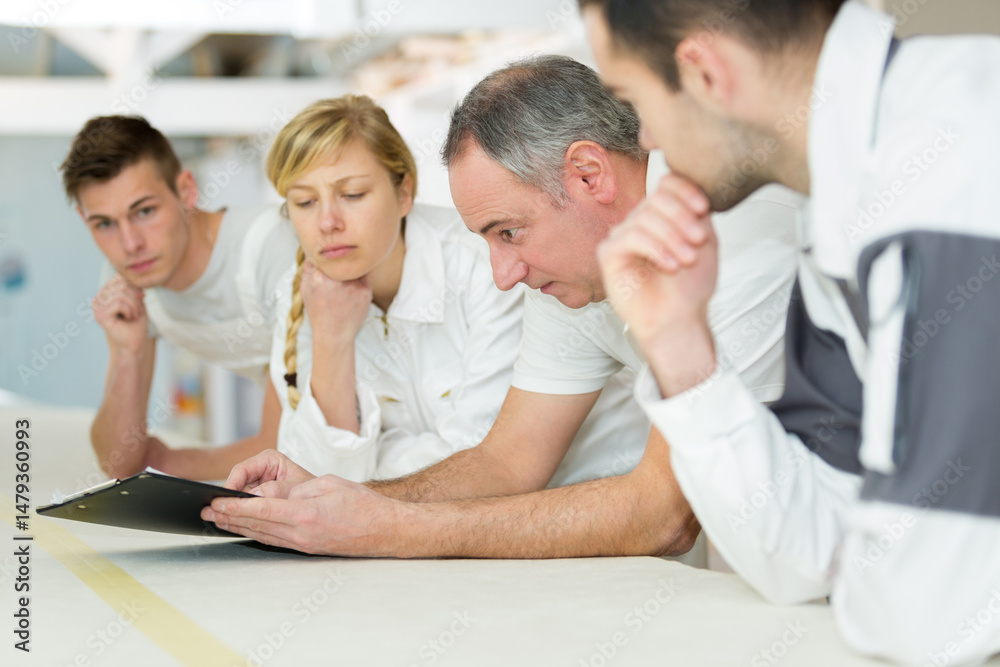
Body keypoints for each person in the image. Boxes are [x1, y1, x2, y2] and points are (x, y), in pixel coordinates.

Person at [202, 55, 801, 561]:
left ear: (589, 175)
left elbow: (661, 514)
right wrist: (336, 495)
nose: (503, 275)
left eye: (508, 232)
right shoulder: (574, 270)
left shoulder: (725, 227)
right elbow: (506, 461)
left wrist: (389, 528)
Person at [580, 0, 1000, 664]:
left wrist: (881, 560)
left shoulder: (955, 155)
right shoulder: (845, 202)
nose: (649, 142)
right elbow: (811, 552)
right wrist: (679, 346)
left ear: (706, 74)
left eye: (634, 103)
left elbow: (927, 610)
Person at [261, 95, 524, 481]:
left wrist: (368, 469)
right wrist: (332, 340)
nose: (327, 222)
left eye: (351, 195)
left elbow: (488, 458)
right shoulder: (300, 296)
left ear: (404, 193)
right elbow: (314, 475)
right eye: (304, 201)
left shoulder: (485, 264)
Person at [63, 116, 298, 480]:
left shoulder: (271, 249)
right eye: (105, 224)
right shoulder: (126, 280)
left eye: (144, 211)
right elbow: (119, 462)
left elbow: (287, 445)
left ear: (186, 191)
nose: (130, 245)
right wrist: (129, 352)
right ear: (84, 221)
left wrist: (169, 463)